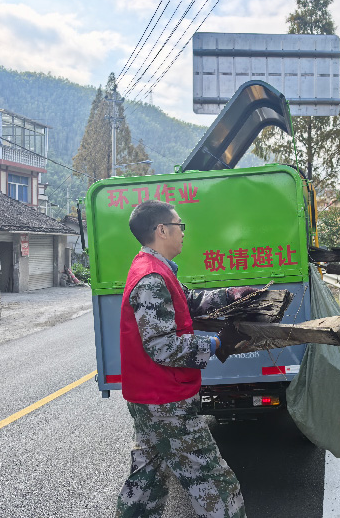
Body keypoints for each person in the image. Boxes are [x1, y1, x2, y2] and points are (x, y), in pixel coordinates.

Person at [116, 200, 253, 518]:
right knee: (217, 485)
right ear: (161, 230)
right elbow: (163, 347)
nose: (182, 232)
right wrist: (218, 343)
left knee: (146, 484)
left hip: (153, 398)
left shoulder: (157, 271)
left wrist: (229, 295)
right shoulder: (150, 278)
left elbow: (186, 300)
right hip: (166, 403)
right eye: (179, 226)